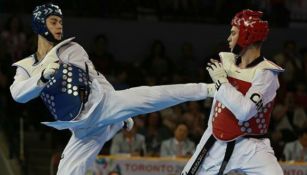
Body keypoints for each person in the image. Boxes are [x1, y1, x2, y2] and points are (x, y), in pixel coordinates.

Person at [9, 3, 215, 175]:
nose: (59, 26)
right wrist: (42, 77)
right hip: (82, 129)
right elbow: (17, 95)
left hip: (104, 105)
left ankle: (208, 89)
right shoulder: (27, 67)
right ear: (39, 25)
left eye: (61, 22)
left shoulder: (72, 49)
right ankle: (113, 124)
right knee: (66, 172)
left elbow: (97, 79)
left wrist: (118, 109)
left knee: (153, 95)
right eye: (53, 21)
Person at [181, 9, 284, 175]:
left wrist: (221, 82)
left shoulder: (266, 74)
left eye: (233, 33)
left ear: (246, 36)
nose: (229, 38)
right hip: (216, 140)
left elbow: (245, 111)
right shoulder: (226, 62)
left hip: (253, 147)